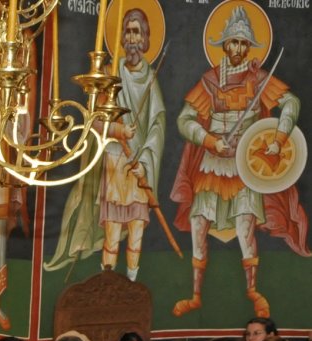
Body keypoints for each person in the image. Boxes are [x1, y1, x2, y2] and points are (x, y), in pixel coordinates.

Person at [171, 6, 309, 318]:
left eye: (243, 43)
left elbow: (291, 102)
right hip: (213, 160)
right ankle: (195, 295)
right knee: (199, 221)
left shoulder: (258, 79)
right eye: (233, 41)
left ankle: (252, 290)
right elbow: (185, 120)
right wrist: (210, 140)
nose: (238, 48)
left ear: (248, 48)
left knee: (246, 223)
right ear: (224, 44)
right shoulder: (210, 80)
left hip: (245, 162)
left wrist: (279, 138)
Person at [47, 7, 164, 282]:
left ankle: (131, 284)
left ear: (145, 38)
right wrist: (118, 130)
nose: (132, 38)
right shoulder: (111, 75)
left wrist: (145, 163)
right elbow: (95, 122)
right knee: (111, 232)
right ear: (122, 38)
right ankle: (107, 284)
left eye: (137, 32)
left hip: (138, 166)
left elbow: (157, 127)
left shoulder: (150, 79)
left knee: (136, 232)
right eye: (128, 32)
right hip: (114, 161)